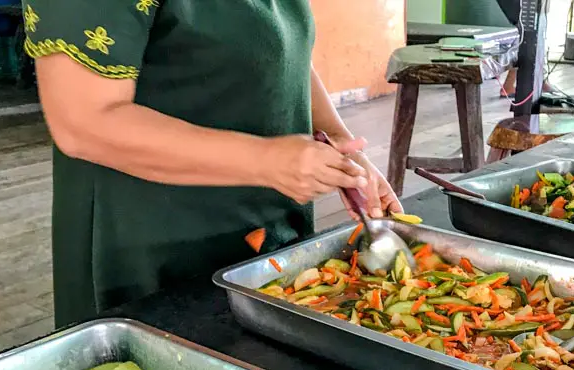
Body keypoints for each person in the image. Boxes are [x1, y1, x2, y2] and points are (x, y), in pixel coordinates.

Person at [22, 0, 402, 328]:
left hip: (266, 224)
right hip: (148, 241)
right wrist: (265, 161)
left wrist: (337, 138)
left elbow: (279, 42)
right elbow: (83, 123)